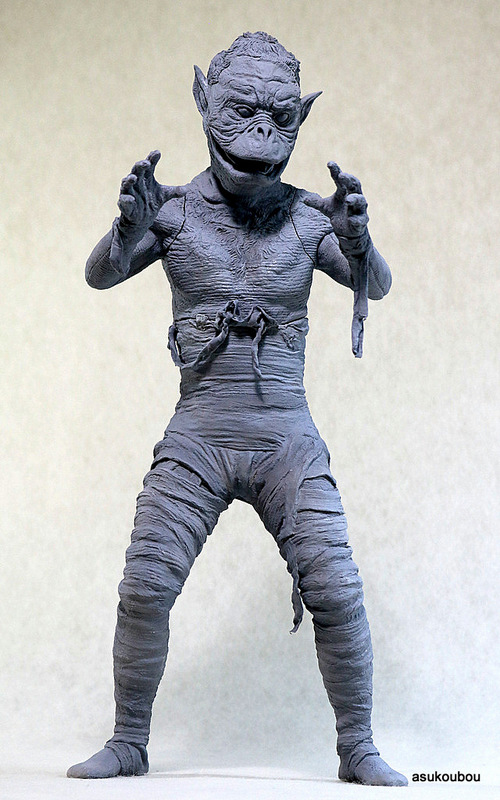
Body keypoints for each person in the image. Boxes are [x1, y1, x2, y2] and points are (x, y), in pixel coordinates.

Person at [67, 32, 407, 786]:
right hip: (199, 435)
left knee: (335, 587)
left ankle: (357, 745)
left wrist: (359, 238)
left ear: (300, 119)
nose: (259, 134)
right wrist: (126, 227)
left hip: (287, 440)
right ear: (202, 101)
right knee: (146, 584)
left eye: (279, 117)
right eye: (240, 110)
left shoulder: (311, 219)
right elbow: (100, 274)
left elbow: (376, 284)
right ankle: (128, 740)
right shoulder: (174, 212)